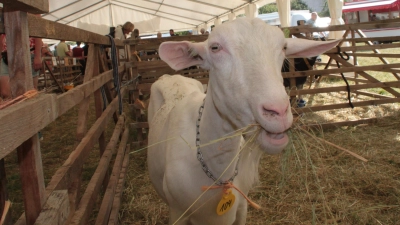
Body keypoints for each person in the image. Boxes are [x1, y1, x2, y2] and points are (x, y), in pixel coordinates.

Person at [0, 32, 43, 100]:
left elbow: (38, 35)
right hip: (6, 55)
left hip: (27, 53)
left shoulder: (30, 21)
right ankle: (14, 109)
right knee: (5, 93)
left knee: (30, 92)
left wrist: (38, 56)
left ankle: (32, 109)